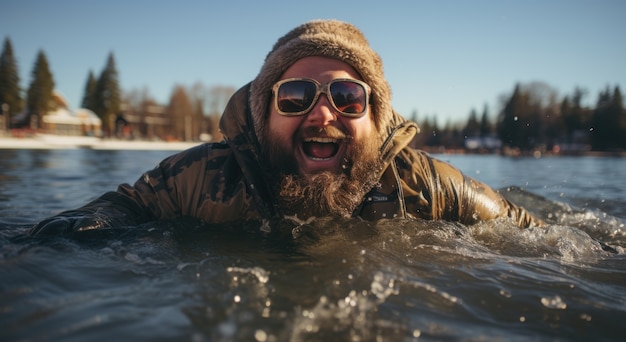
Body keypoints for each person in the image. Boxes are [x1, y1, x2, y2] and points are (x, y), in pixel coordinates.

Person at [30, 19, 542, 237]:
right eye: (295, 97)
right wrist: (84, 231)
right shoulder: (204, 178)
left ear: (376, 119)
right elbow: (126, 204)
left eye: (346, 97)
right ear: (263, 115)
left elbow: (525, 227)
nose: (322, 116)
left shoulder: (422, 185)